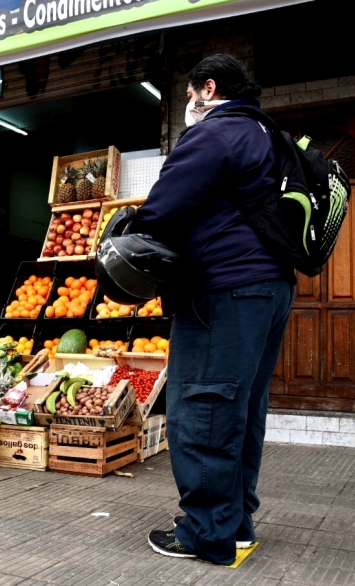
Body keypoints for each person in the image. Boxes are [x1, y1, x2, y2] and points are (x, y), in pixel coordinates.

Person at [128, 54, 296, 565]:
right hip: (270, 288)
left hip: (223, 289)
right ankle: (236, 523)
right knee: (240, 409)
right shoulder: (267, 133)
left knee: (203, 407)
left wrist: (126, 234)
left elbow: (164, 209)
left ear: (208, 87)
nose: (187, 106)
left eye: (188, 96)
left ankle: (206, 533)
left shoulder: (214, 133)